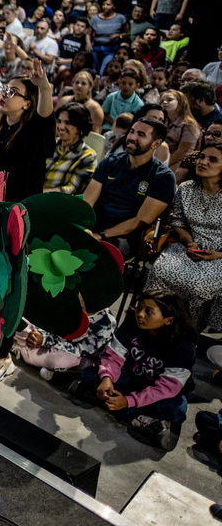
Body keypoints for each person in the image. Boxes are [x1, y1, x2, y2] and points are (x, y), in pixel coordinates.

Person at [72, 291, 196, 451]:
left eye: (149, 311)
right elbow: (114, 357)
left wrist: (129, 401)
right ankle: (144, 420)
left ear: (169, 320)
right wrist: (107, 378)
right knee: (90, 374)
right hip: (132, 380)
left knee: (175, 410)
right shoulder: (131, 325)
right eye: (139, 308)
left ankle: (113, 405)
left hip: (159, 393)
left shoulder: (183, 346)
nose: (140, 314)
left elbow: (166, 388)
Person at [147, 144, 222, 332]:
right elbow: (178, 222)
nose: (203, 162)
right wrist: (189, 242)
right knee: (161, 270)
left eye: (212, 160)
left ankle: (188, 332)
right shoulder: (187, 188)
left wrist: (217, 255)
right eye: (202, 157)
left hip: (218, 254)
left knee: (198, 285)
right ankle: (151, 323)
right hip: (187, 244)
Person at [83, 117, 176, 258]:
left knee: (99, 256)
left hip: (124, 236)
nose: (132, 137)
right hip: (93, 225)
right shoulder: (111, 161)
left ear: (156, 143)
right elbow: (87, 201)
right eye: (132, 131)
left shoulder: (163, 177)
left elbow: (140, 221)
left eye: (141, 135)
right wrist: (85, 227)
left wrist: (100, 235)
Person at [0, 59, 55, 201]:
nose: (3, 94)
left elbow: (44, 121)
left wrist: (45, 89)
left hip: (16, 209)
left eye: (12, 92)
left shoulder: (33, 134)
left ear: (27, 104)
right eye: (5, 89)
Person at [43, 102, 98, 194]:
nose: (61, 127)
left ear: (81, 127)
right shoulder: (49, 144)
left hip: (58, 202)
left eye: (68, 123)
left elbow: (72, 189)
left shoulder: (87, 155)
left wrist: (39, 193)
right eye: (59, 121)